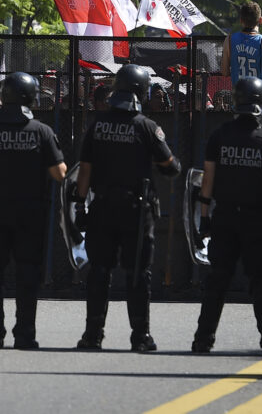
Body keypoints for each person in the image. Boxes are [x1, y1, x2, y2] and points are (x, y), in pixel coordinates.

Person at [73, 65, 181, 352]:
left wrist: (79, 206)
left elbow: (85, 170)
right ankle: (140, 337)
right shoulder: (146, 126)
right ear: (142, 92)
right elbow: (171, 167)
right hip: (137, 210)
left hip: (102, 207)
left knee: (99, 272)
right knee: (138, 273)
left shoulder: (97, 125)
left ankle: (92, 336)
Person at [0, 72, 66, 349]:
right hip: (31, 213)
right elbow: (59, 174)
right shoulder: (41, 131)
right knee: (27, 274)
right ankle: (25, 334)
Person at [191, 77, 262, 357]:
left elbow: (207, 179)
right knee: (261, 283)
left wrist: (205, 216)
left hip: (225, 219)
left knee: (217, 280)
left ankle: (203, 340)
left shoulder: (219, 136)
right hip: (258, 220)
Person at [222, 1, 262, 135]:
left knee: (244, 143)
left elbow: (225, 71)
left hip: (241, 103)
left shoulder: (230, 40)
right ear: (260, 20)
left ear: (241, 20)